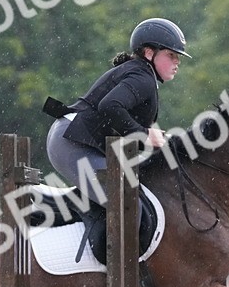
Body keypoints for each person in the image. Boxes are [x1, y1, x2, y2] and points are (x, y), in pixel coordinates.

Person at [45, 18, 190, 261]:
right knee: (127, 207)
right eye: (171, 55)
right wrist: (144, 135)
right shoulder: (142, 77)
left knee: (132, 200)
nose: (177, 62)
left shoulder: (141, 74)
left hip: (73, 138)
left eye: (178, 57)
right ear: (149, 52)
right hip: (72, 142)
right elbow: (110, 106)